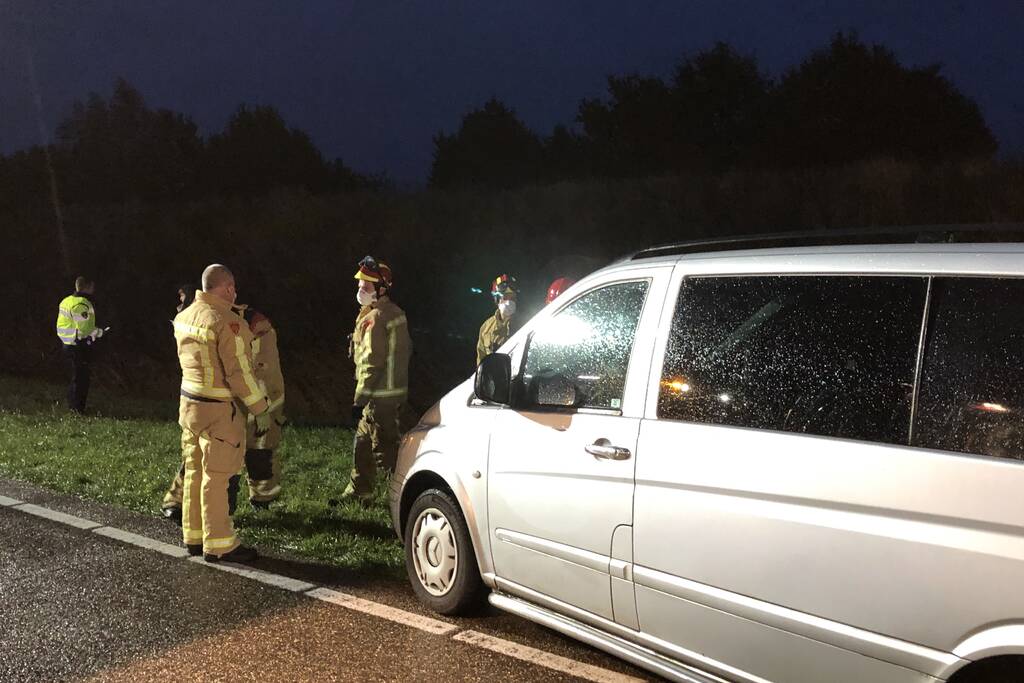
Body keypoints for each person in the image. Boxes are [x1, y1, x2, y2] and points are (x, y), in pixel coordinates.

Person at [173, 264, 270, 563]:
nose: (235, 294)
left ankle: (194, 536)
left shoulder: (185, 316)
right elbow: (239, 373)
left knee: (194, 470)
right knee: (217, 477)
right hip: (219, 411)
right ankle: (219, 543)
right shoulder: (228, 323)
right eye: (234, 289)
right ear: (227, 288)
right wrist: (260, 408)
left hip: (190, 406)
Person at [162, 299, 286, 520]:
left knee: (260, 448)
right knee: (203, 452)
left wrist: (260, 408)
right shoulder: (212, 318)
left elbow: (261, 372)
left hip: (256, 391)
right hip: (218, 400)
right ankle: (182, 501)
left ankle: (263, 499)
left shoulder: (255, 326)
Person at [335, 255, 411, 506]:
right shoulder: (386, 312)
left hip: (380, 398)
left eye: (366, 286)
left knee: (386, 453)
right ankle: (360, 491)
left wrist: (359, 401)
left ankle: (404, 499)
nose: (360, 290)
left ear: (382, 289)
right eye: (360, 285)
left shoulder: (377, 317)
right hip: (382, 394)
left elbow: (371, 363)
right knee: (363, 444)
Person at [55, 276, 104, 414]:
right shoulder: (82, 303)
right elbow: (83, 329)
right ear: (87, 287)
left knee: (76, 377)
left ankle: (74, 407)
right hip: (78, 345)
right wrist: (99, 332)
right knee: (81, 378)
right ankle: (77, 409)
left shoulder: (66, 301)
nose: (94, 289)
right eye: (92, 286)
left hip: (67, 343)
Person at [476, 274, 517, 365]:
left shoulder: (527, 321)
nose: (509, 302)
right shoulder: (486, 328)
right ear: (497, 300)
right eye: (505, 297)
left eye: (512, 298)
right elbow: (481, 362)